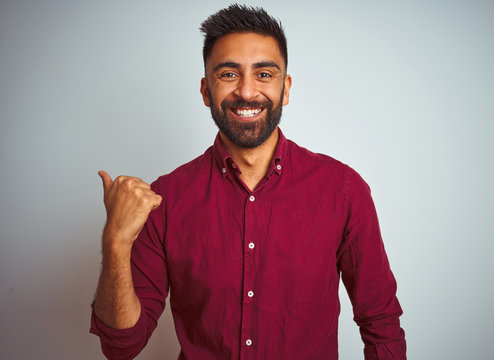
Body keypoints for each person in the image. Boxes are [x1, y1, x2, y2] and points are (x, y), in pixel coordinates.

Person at [90, 4, 406, 360]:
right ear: (206, 90)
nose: (246, 91)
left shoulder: (344, 190)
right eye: (228, 74)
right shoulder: (164, 198)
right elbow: (121, 346)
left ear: (285, 89)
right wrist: (115, 241)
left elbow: (381, 324)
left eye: (264, 74)